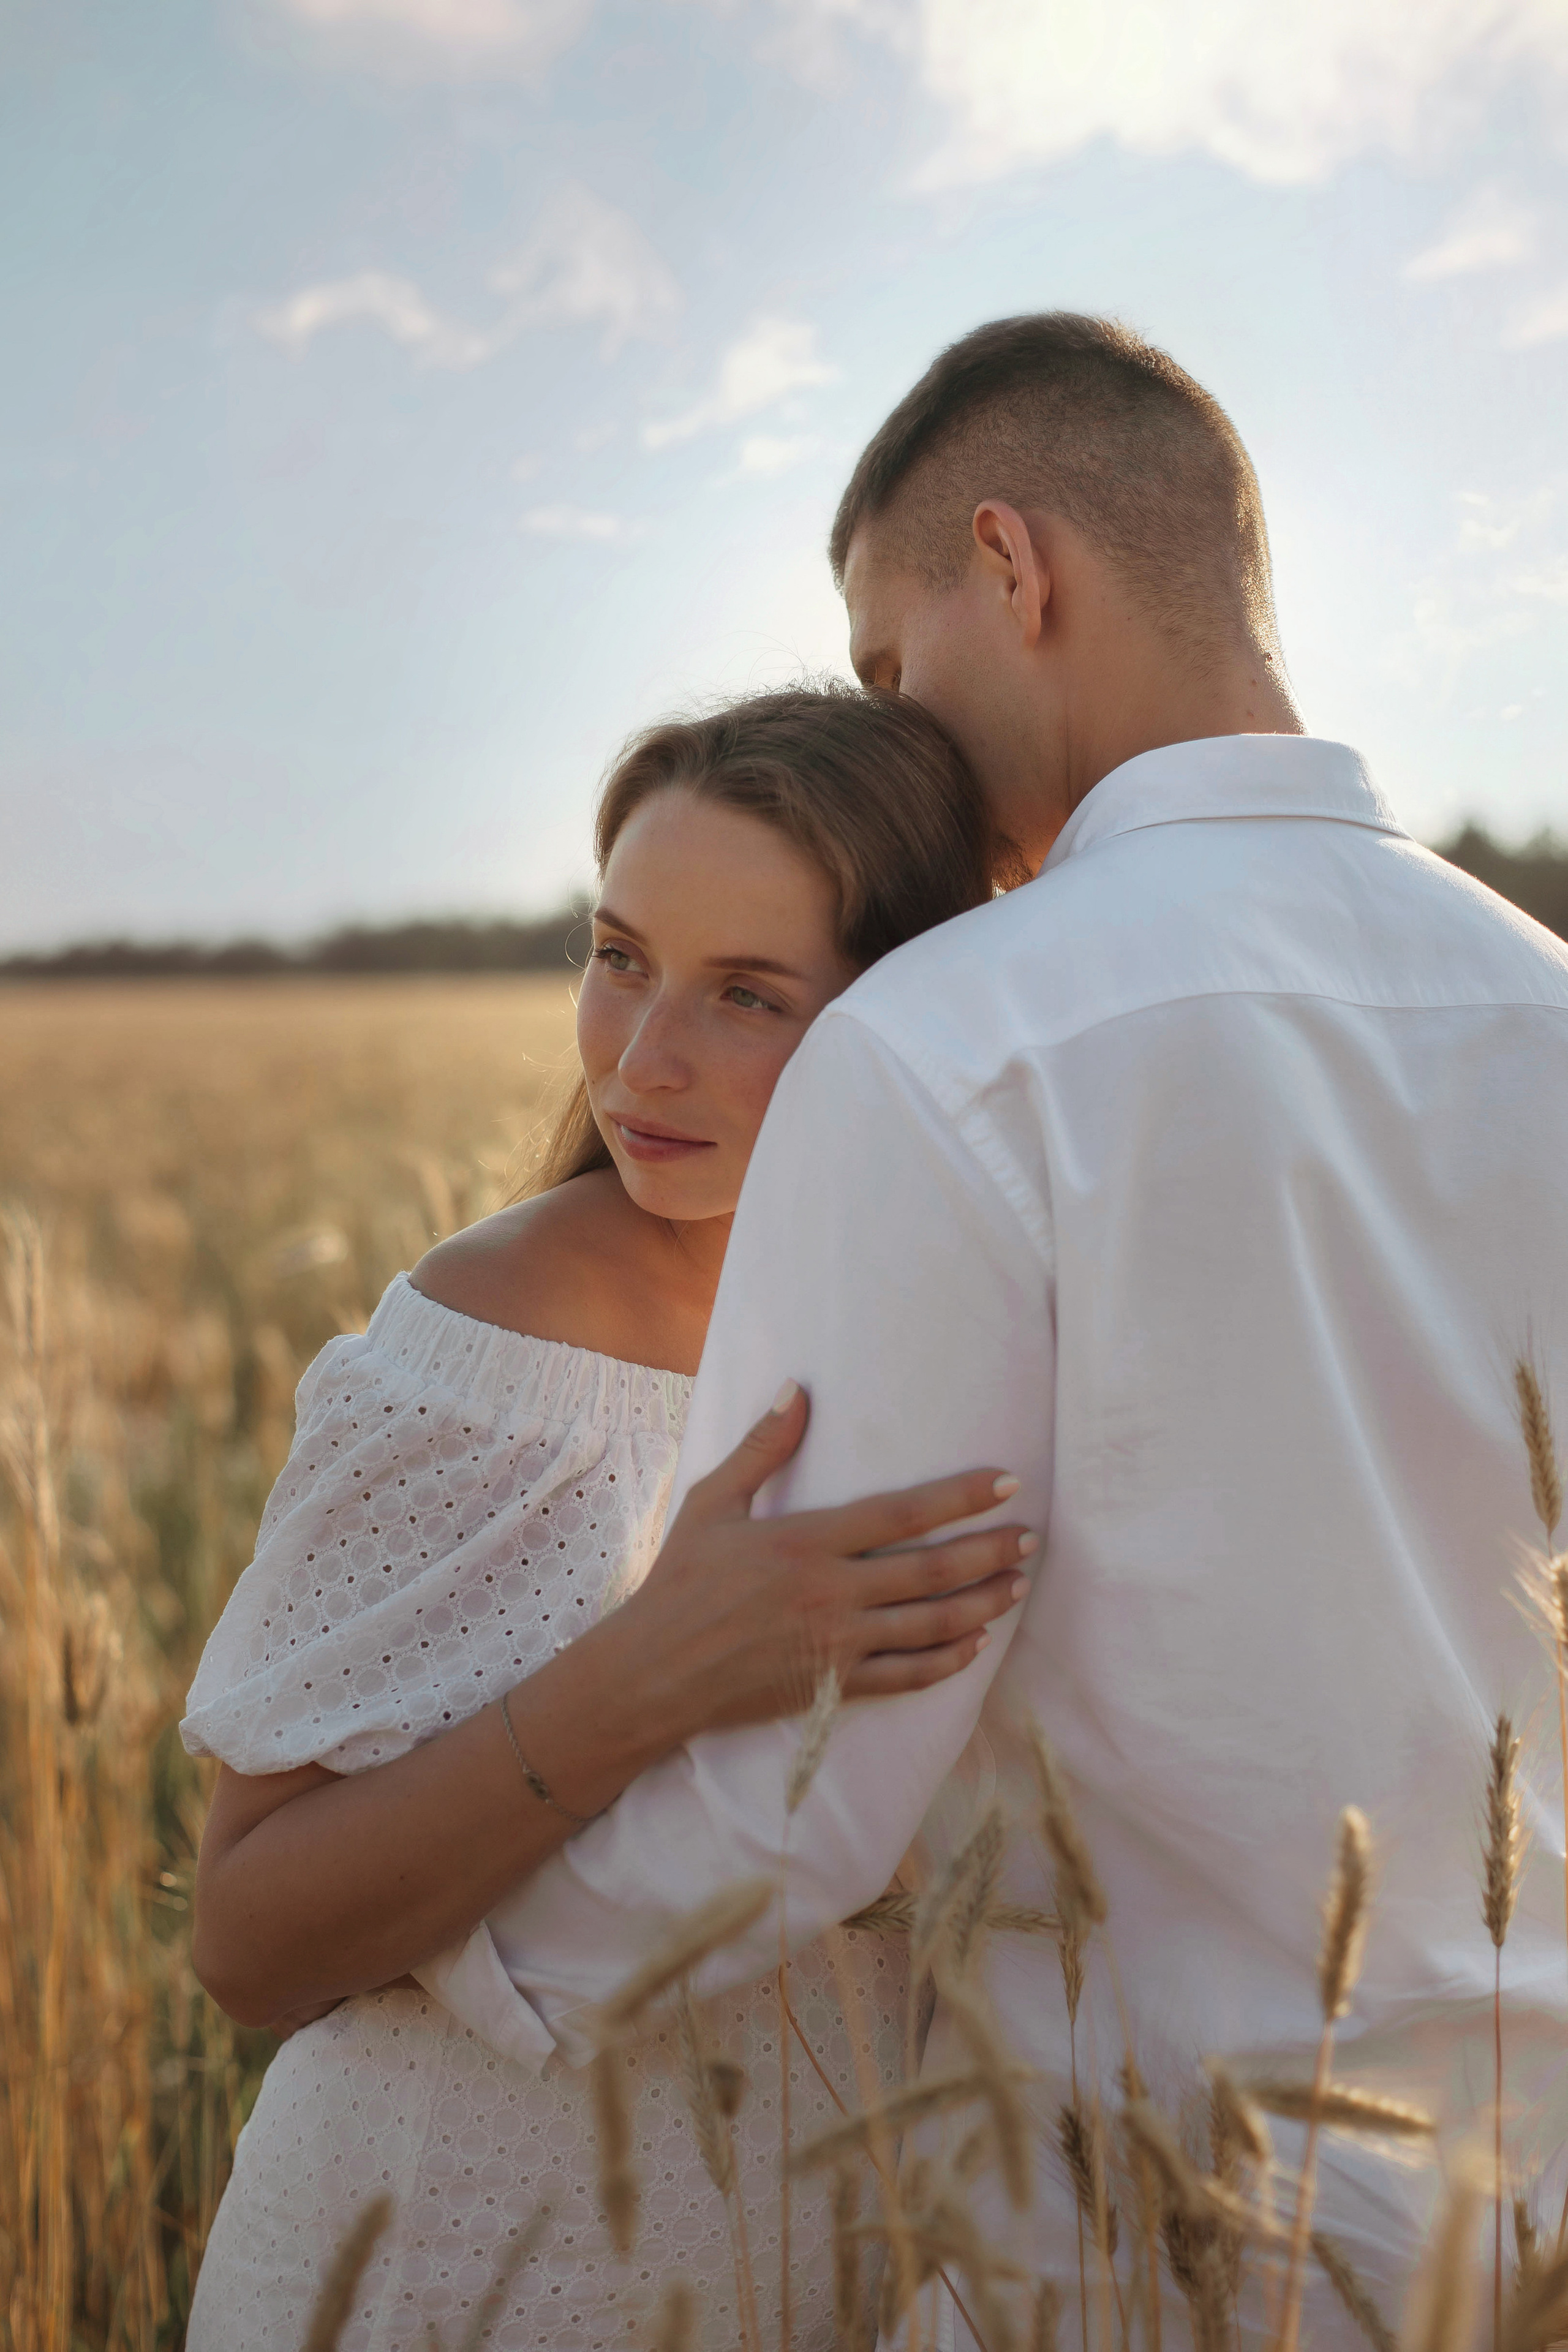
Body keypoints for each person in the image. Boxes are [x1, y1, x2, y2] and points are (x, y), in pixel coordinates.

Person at [469, 315, 1568, 2342]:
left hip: (1154, 2243)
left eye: (896, 667)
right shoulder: (1546, 1004)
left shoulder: (949, 1047)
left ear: (1013, 566)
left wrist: (433, 1944)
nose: (901, 738)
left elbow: (808, 1793)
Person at [180, 684, 1039, 2351]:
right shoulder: (499, 1334)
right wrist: (652, 1669)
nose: (644, 1057)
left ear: (903, 1016)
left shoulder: (975, 1335)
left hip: (824, 2275)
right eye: (621, 955)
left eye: (747, 994)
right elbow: (247, 1945)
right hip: (449, 2268)